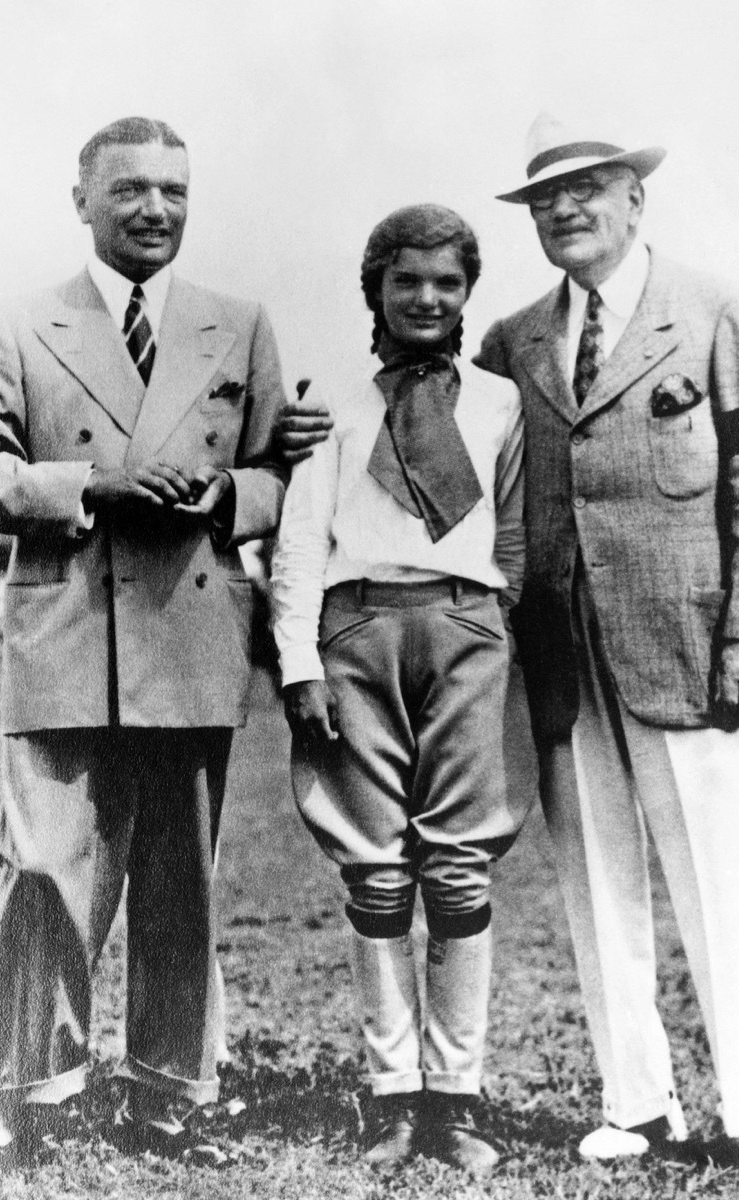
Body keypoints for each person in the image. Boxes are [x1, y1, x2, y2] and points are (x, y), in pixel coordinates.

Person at [277, 117, 739, 1183]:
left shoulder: (716, 310)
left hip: (694, 646)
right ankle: (636, 1104)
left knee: (725, 879)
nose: (570, 211)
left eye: (594, 189)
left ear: (636, 199)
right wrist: (293, 434)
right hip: (556, 659)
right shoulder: (513, 341)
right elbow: (421, 431)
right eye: (549, 200)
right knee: (597, 882)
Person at [0, 116, 288, 1159]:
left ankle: (171, 1092)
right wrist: (91, 484)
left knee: (180, 878)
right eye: (132, 190)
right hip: (66, 632)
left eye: (176, 192)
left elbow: (278, 481)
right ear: (81, 200)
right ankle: (29, 1091)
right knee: (44, 870)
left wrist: (225, 492)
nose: (156, 210)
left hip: (189, 633)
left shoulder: (240, 324)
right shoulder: (14, 324)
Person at [270, 204, 526, 1181]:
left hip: (464, 630)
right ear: (374, 287)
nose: (426, 298)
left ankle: (455, 1101)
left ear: (467, 292)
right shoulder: (328, 395)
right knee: (375, 870)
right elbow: (299, 537)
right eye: (406, 280)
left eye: (446, 282)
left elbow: (511, 536)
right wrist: (300, 663)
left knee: (459, 869)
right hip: (358, 633)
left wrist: (494, 628)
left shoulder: (498, 402)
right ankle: (393, 1095)